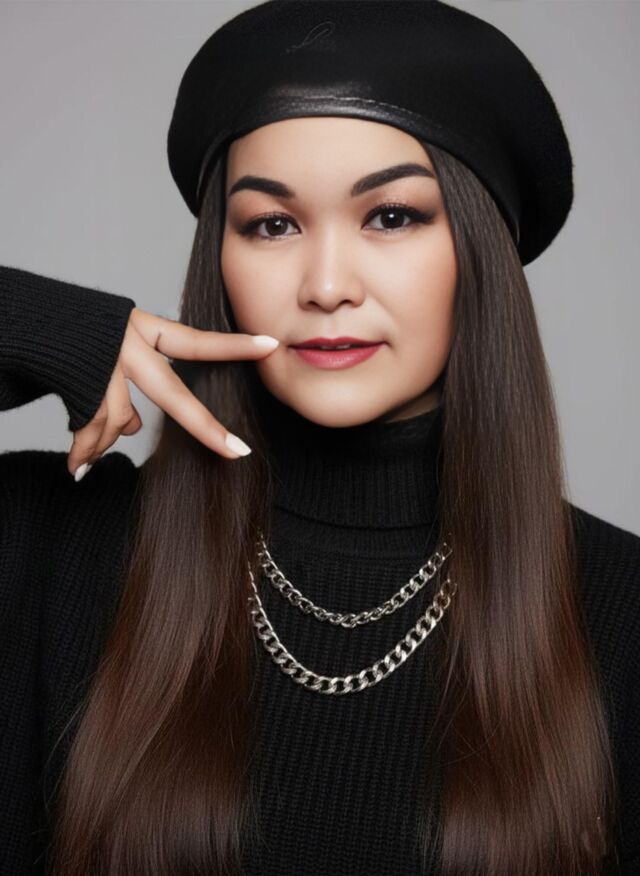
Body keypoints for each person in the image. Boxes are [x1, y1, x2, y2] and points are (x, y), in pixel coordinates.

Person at [1, 1, 638, 874]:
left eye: (391, 216)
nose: (327, 285)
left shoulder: (619, 607)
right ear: (220, 259)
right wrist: (46, 327)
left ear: (478, 254)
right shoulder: (52, 547)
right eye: (272, 224)